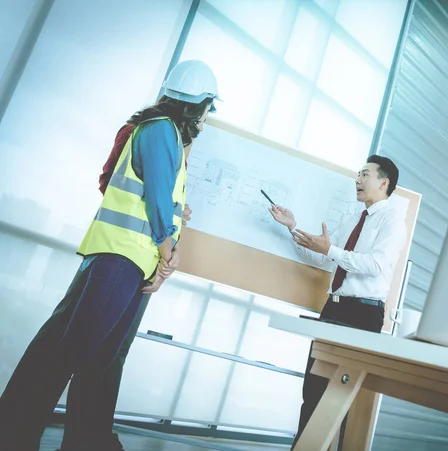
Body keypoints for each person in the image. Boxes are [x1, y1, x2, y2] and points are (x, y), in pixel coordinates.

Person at [0, 59, 219, 451]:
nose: (207, 118)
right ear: (197, 105)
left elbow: (160, 201)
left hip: (133, 261)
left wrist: (165, 254)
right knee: (70, 352)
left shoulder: (166, 136)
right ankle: (15, 435)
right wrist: (167, 250)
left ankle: (74, 440)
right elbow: (151, 196)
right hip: (119, 259)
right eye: (207, 108)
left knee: (94, 355)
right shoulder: (158, 132)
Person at [269, 155, 405, 447]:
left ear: (384, 182)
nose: (357, 180)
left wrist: (331, 249)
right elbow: (323, 257)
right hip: (334, 308)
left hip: (363, 315)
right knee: (313, 391)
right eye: (357, 174)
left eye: (364, 174)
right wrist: (292, 227)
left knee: (344, 401)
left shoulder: (392, 219)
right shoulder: (353, 219)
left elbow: (375, 265)